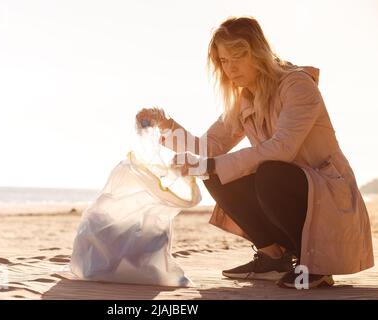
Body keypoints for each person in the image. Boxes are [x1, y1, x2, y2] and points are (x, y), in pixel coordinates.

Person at [135, 16, 374, 289]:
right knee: (215, 173)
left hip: (330, 198)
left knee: (267, 172)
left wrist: (211, 164)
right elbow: (209, 148)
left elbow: (282, 148)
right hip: (290, 190)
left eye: (238, 55)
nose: (231, 67)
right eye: (224, 60)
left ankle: (317, 268)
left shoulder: (298, 86)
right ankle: (274, 257)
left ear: (258, 51)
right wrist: (165, 125)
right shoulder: (245, 99)